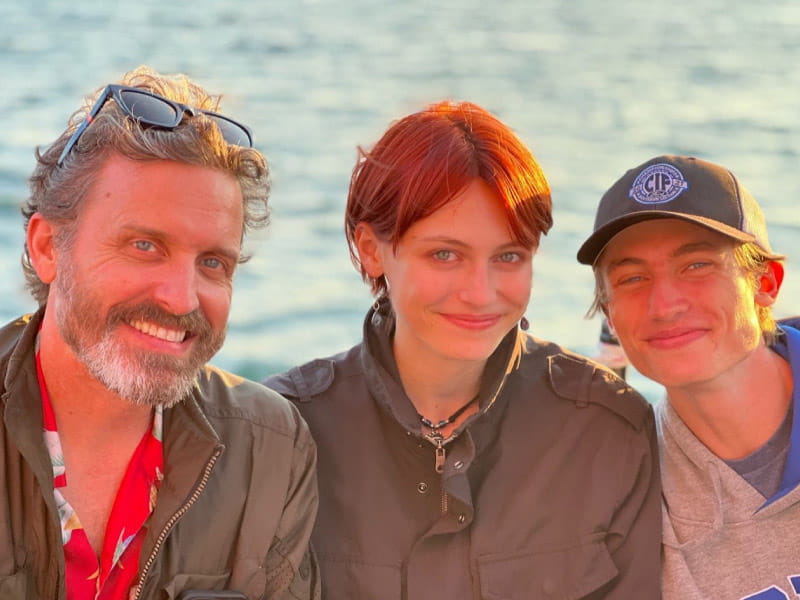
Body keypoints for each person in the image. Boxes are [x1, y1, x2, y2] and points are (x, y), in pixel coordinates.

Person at [264, 101, 660, 599]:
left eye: (509, 256)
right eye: (445, 254)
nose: (480, 292)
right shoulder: (281, 436)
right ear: (370, 249)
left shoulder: (609, 432)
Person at [0, 66, 319, 600]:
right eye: (145, 246)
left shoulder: (269, 449)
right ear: (48, 248)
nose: (181, 299)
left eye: (213, 262)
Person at [578, 154, 797, 600]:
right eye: (632, 278)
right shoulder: (628, 510)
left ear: (765, 283)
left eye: (697, 265)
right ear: (610, 316)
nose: (665, 305)